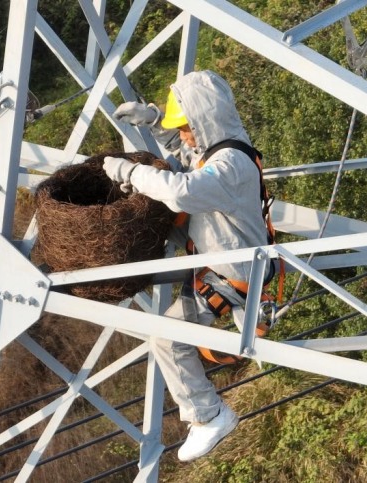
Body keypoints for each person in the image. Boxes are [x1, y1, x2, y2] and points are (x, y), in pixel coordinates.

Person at [103, 70, 270, 461]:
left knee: (167, 337)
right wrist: (156, 122)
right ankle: (207, 414)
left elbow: (182, 191)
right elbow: (187, 159)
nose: (183, 136)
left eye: (185, 127)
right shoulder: (220, 149)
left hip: (231, 275)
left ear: (203, 121)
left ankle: (209, 415)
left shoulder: (230, 165)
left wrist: (129, 172)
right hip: (216, 259)